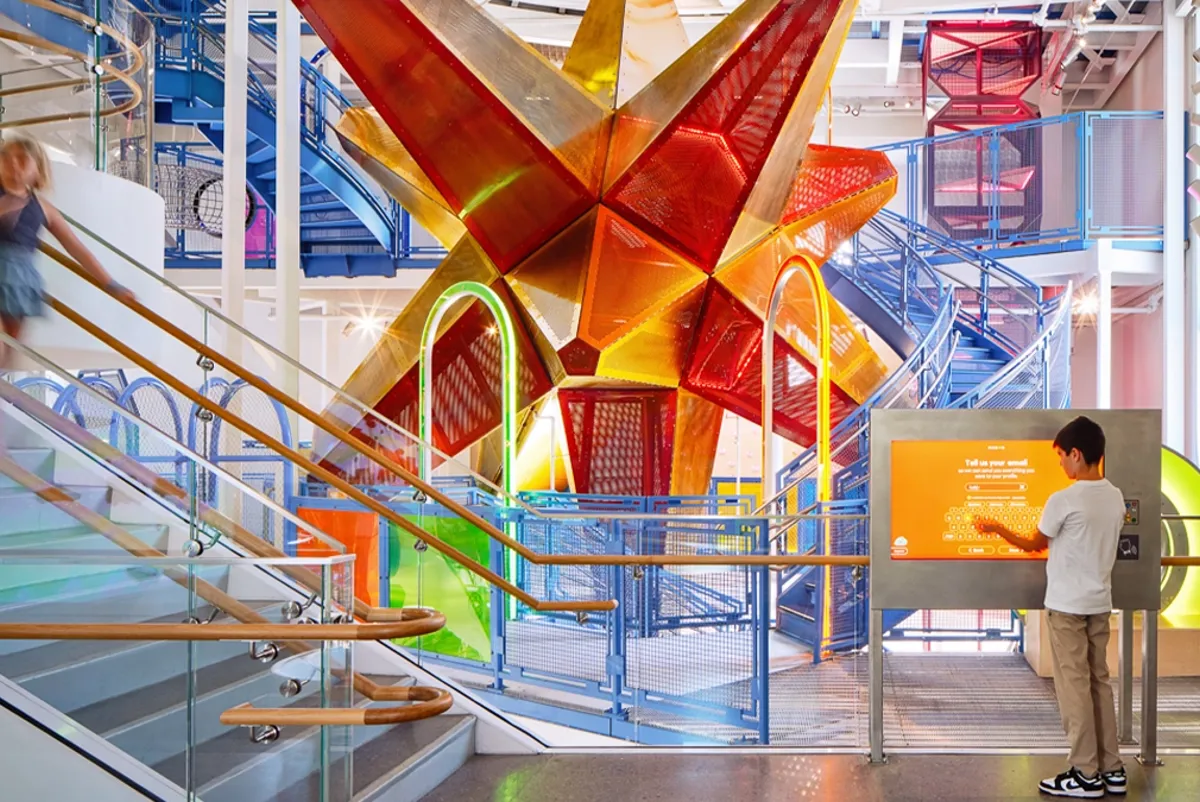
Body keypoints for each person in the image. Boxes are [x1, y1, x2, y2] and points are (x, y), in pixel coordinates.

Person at [974, 416, 1126, 799]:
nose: (1060, 464)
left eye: (1061, 456)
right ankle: (1112, 768)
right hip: (1099, 604)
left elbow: (1033, 544)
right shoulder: (1115, 496)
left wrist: (995, 529)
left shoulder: (1064, 499)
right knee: (1099, 683)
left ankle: (1084, 773)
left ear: (1077, 454)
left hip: (1067, 607)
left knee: (1074, 688)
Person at [0, 135, 134, 452]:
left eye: (22, 160)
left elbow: (77, 248)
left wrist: (109, 283)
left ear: (37, 170)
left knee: (7, 353)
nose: (14, 166)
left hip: (20, 282)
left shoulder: (43, 209)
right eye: (7, 159)